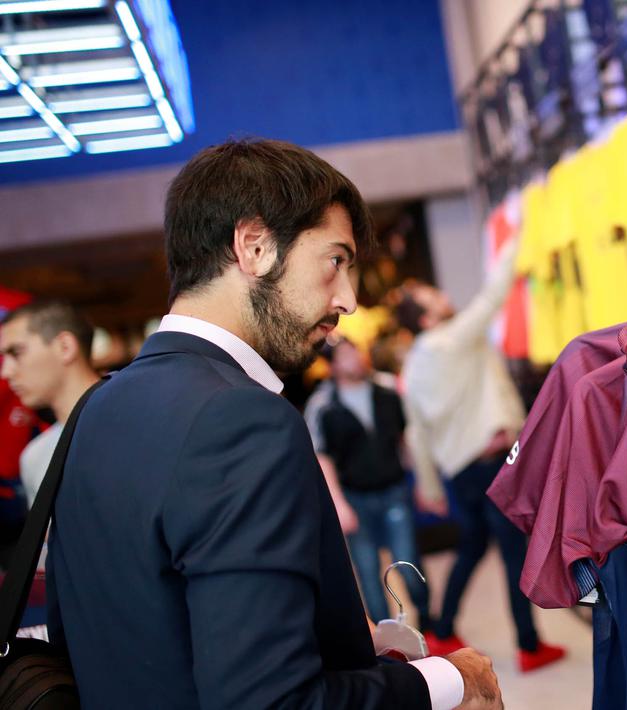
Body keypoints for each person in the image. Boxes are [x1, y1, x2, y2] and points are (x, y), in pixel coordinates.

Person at [46, 139, 502, 709]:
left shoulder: (96, 409)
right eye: (335, 261)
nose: (349, 299)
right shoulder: (240, 418)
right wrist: (449, 680)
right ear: (255, 246)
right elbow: (271, 700)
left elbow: (112, 631)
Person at [398, 246, 567, 673]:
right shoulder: (452, 339)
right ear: (426, 319)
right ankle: (529, 645)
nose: (443, 296)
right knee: (512, 553)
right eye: (433, 297)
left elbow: (417, 433)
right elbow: (493, 295)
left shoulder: (413, 366)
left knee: (473, 546)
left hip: (460, 473)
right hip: (491, 465)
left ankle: (442, 628)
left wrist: (431, 487)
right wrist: (516, 240)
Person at [305, 336, 433, 630]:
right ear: (332, 366)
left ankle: (429, 621)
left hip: (394, 489)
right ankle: (389, 639)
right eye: (345, 356)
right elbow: (322, 457)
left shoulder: (386, 391)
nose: (354, 359)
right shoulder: (323, 405)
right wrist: (339, 505)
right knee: (367, 570)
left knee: (408, 563)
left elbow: (404, 439)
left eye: (355, 352)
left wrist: (422, 483)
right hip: (355, 497)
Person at [0, 301, 99, 509]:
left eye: (16, 352)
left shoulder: (140, 423)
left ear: (65, 347)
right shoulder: (35, 457)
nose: (6, 372)